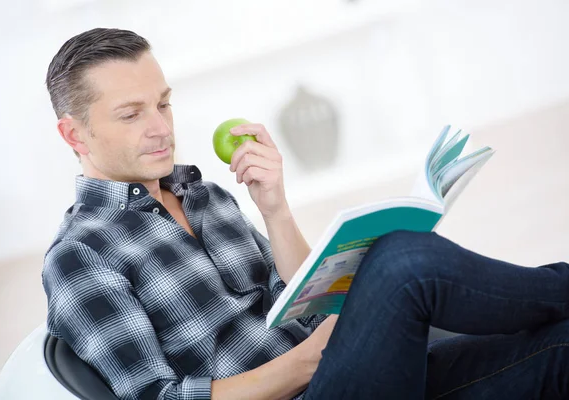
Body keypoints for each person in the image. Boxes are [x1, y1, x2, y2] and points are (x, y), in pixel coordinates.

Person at [42, 28, 569, 400]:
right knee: (402, 261)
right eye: (132, 114)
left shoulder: (206, 196)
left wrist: (275, 209)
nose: (160, 127)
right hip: (310, 384)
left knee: (557, 349)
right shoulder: (79, 257)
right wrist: (305, 361)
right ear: (74, 134)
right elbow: (161, 398)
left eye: (163, 103)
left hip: (350, 376)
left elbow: (301, 302)